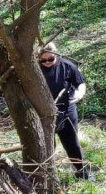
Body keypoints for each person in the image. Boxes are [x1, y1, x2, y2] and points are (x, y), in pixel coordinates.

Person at [38, 42, 90, 180]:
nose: (47, 62)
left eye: (51, 59)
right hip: (43, 112)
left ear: (56, 56)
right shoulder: (34, 69)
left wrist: (80, 93)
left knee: (72, 143)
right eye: (43, 60)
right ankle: (47, 175)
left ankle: (82, 173)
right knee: (46, 144)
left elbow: (80, 82)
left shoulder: (67, 65)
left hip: (66, 109)